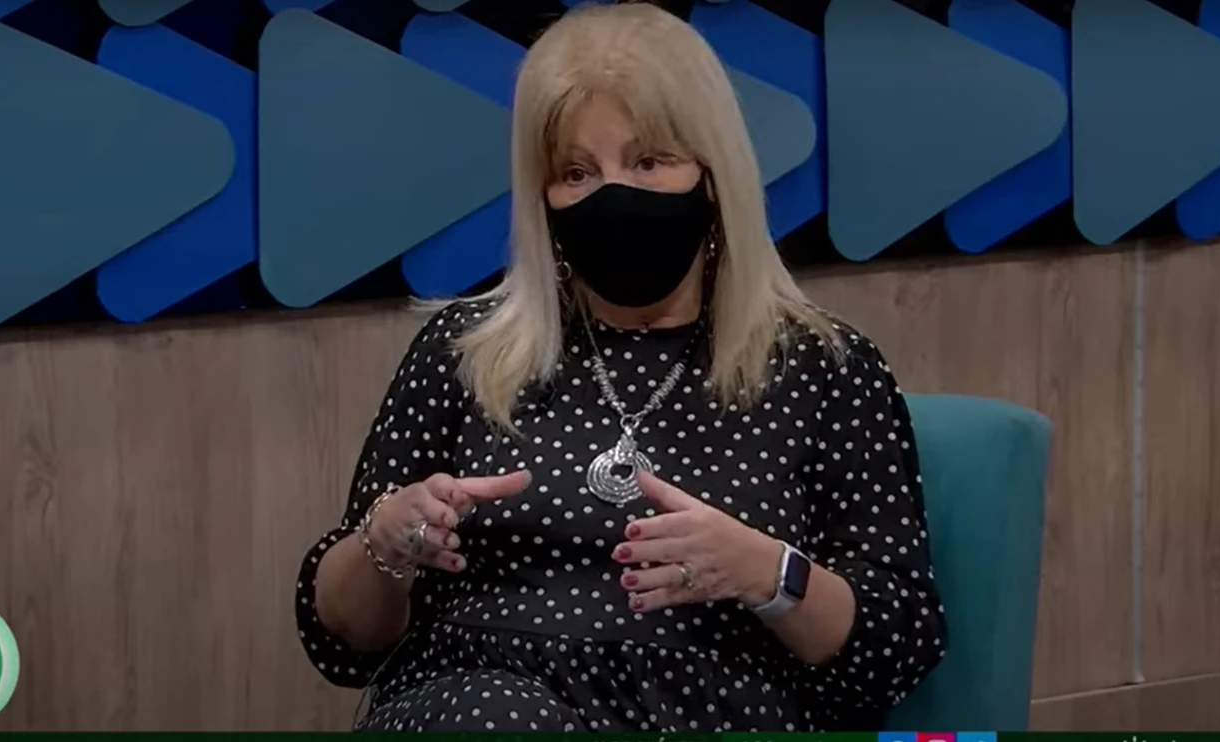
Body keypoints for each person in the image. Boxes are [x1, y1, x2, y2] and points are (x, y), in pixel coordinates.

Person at [295, 2, 946, 732]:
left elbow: (894, 651)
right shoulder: (465, 352)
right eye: (576, 172)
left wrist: (767, 573)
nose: (612, 195)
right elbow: (340, 643)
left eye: (648, 162)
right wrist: (384, 545)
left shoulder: (824, 368)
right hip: (475, 703)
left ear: (712, 175)